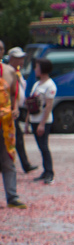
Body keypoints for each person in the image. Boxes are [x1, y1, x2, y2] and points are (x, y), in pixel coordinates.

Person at [1, 54, 26, 208]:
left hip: (6, 123)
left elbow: (13, 94)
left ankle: (12, 196)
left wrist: (15, 108)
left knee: (8, 160)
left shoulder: (9, 71)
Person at [27, 57, 56, 185]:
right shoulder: (36, 84)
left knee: (44, 146)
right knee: (40, 146)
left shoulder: (50, 85)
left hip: (43, 120)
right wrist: (27, 121)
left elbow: (49, 106)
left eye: (37, 67)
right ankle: (45, 171)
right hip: (34, 118)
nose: (35, 69)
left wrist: (42, 124)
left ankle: (49, 172)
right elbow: (31, 102)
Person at [6, 48, 35, 174]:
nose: (22, 60)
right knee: (14, 137)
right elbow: (12, 93)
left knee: (18, 137)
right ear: (12, 58)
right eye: (19, 58)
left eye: (22, 58)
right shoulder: (7, 72)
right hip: (10, 110)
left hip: (17, 109)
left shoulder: (18, 73)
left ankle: (24, 163)